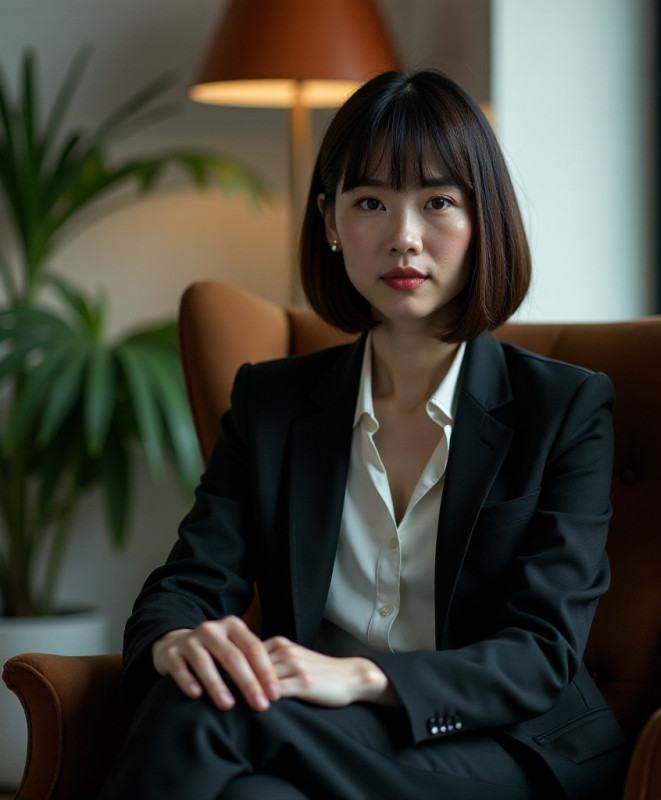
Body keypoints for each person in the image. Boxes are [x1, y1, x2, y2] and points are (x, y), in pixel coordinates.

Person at [99, 70, 629, 800]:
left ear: (484, 220)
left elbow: (539, 655)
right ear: (328, 220)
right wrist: (179, 641)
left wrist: (357, 676)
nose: (403, 238)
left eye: (438, 202)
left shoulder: (564, 408)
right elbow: (189, 582)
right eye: (371, 202)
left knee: (214, 716)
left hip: (498, 746)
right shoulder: (272, 403)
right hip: (322, 735)